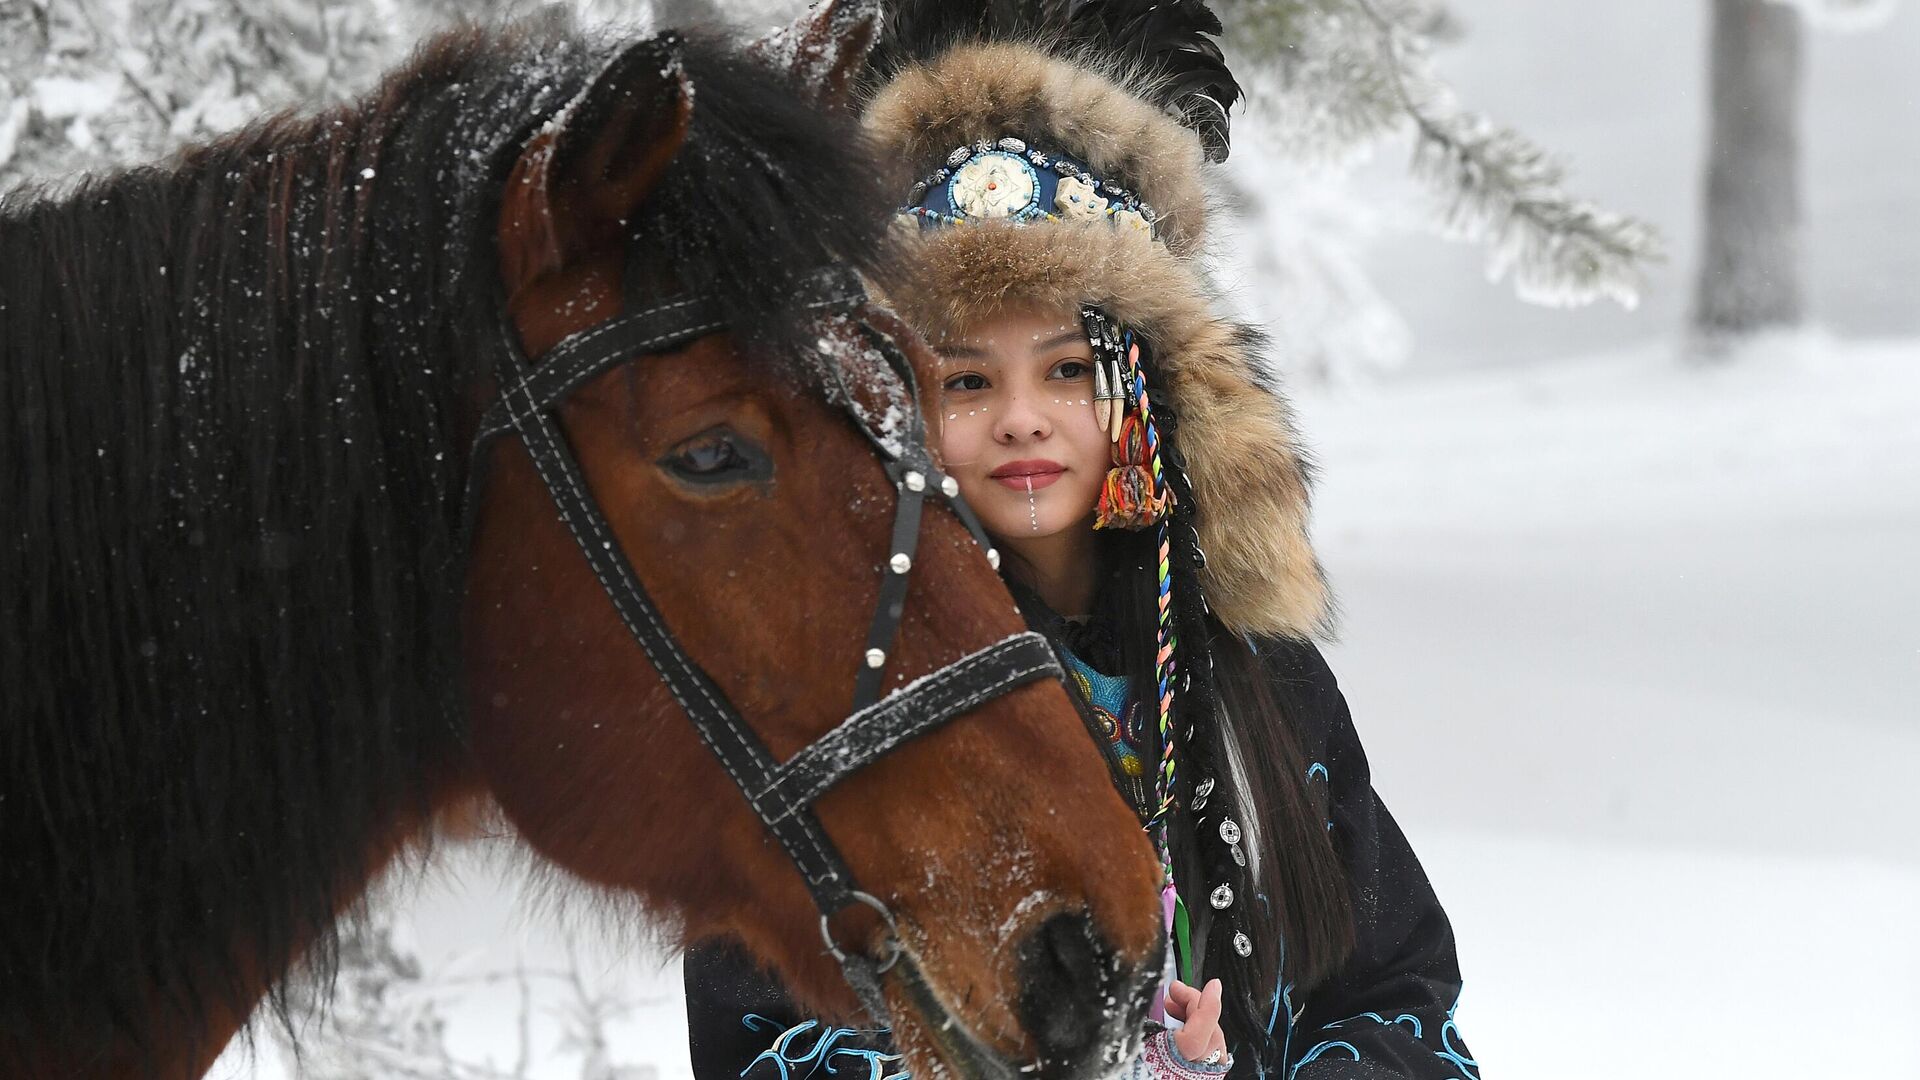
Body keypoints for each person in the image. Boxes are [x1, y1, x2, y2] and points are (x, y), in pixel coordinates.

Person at [685, 9, 1477, 1079]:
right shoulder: (825, 713)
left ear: (1145, 398)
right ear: (894, 409)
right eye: (967, 379)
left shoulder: (1266, 691)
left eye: (1066, 370)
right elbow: (762, 1040)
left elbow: (1396, 995)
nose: (1021, 417)